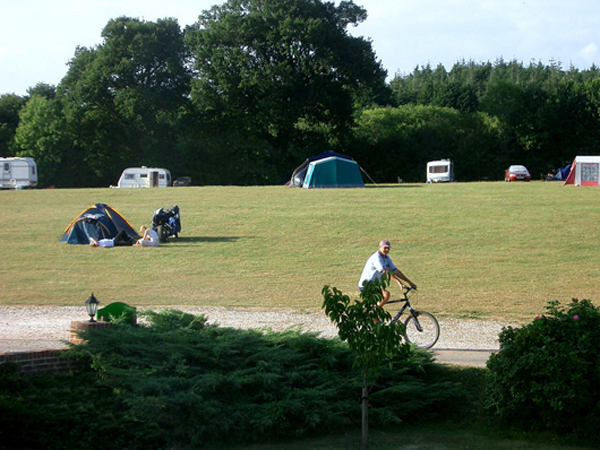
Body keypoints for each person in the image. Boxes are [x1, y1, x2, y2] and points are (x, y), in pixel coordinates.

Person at [358, 240, 417, 307]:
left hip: (375, 285)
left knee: (383, 298)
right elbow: (385, 272)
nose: (387, 250)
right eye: (385, 248)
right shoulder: (376, 258)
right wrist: (399, 282)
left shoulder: (387, 258)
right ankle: (374, 313)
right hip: (366, 285)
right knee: (386, 295)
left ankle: (374, 313)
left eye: (388, 248)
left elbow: (395, 271)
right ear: (379, 247)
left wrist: (409, 282)